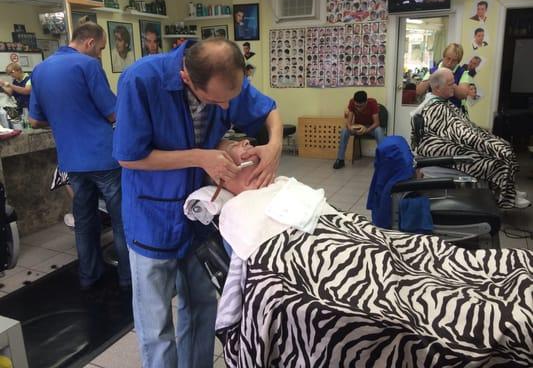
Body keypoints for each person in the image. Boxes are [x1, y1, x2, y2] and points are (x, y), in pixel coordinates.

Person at [210, 139, 533, 368]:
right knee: (442, 310)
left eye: (248, 141)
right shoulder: (236, 208)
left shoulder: (281, 183)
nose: (249, 146)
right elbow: (256, 263)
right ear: (220, 173)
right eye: (237, 147)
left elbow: (338, 221)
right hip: (310, 261)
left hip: (359, 241)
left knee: (429, 260)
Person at [112, 37, 283, 368]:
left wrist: (273, 146)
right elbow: (129, 158)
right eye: (216, 101)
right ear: (187, 78)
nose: (224, 108)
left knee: (203, 306)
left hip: (199, 218)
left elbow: (268, 111)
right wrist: (201, 157)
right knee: (156, 324)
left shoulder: (224, 75)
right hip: (152, 217)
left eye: (229, 100)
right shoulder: (140, 80)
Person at [28, 22, 131, 289]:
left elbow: (34, 120)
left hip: (71, 160)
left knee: (84, 220)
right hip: (104, 157)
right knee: (121, 220)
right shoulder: (88, 66)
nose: (99, 54)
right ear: (89, 43)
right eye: (100, 49)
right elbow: (113, 112)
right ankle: (128, 279)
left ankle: (89, 275)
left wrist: (67, 119)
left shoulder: (39, 70)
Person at [411, 68, 530, 209]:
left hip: (450, 142)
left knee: (503, 146)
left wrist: (487, 136)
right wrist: (487, 144)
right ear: (437, 87)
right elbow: (459, 134)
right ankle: (506, 197)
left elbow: (464, 128)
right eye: (450, 84)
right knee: (498, 156)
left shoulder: (442, 102)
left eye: (454, 82)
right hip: (442, 150)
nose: (454, 86)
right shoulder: (435, 107)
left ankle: (509, 190)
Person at [333, 90, 385, 169]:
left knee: (379, 131)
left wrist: (366, 130)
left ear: (366, 102)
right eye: (356, 106)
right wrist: (350, 128)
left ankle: (383, 161)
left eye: (360, 106)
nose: (358, 108)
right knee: (344, 131)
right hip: (357, 127)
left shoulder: (372, 103)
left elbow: (377, 123)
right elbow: (348, 122)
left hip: (370, 127)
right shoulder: (352, 102)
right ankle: (340, 159)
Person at [416, 43, 472, 113]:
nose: (449, 63)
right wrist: (433, 76)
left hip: (454, 114)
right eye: (448, 58)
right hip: (433, 112)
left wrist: (449, 80)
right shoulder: (433, 70)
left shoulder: (463, 73)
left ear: (458, 61)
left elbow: (462, 95)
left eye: (454, 61)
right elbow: (419, 91)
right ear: (443, 56)